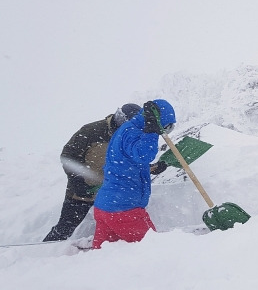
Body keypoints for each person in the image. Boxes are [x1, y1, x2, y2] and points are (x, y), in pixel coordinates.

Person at [43, 103, 167, 242]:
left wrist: (154, 167)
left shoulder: (129, 137)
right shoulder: (92, 131)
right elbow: (68, 156)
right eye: (121, 119)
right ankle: (42, 254)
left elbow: (130, 166)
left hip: (111, 193)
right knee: (65, 227)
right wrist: (78, 180)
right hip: (82, 192)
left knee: (112, 232)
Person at [92, 99, 176, 249]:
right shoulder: (133, 132)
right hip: (124, 210)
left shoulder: (127, 129)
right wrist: (151, 131)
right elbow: (144, 155)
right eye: (167, 127)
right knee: (153, 249)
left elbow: (130, 164)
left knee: (102, 257)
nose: (165, 132)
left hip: (106, 207)